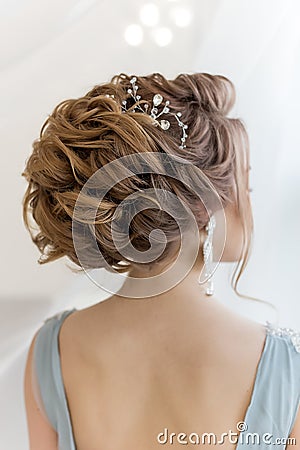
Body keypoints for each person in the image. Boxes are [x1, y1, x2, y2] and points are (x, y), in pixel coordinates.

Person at [22, 72, 300, 450]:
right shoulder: (287, 369)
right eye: (245, 187)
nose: (249, 204)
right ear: (203, 203)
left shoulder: (50, 350)